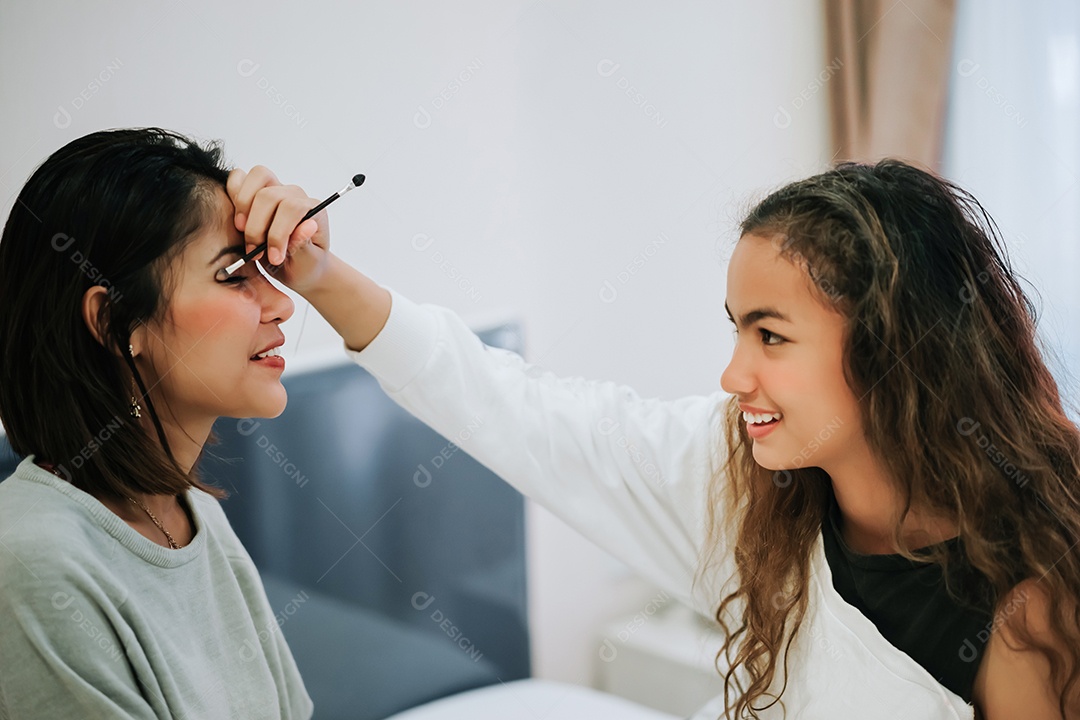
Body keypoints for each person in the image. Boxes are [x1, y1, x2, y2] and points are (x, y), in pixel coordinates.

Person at [229, 159, 1080, 719]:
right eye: (734, 331)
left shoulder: (1030, 606)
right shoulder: (740, 477)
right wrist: (317, 276)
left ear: (893, 345)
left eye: (770, 337)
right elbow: (514, 409)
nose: (732, 375)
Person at [0, 128, 313, 719]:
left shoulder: (194, 517)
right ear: (116, 321)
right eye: (235, 274)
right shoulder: (30, 561)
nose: (283, 304)